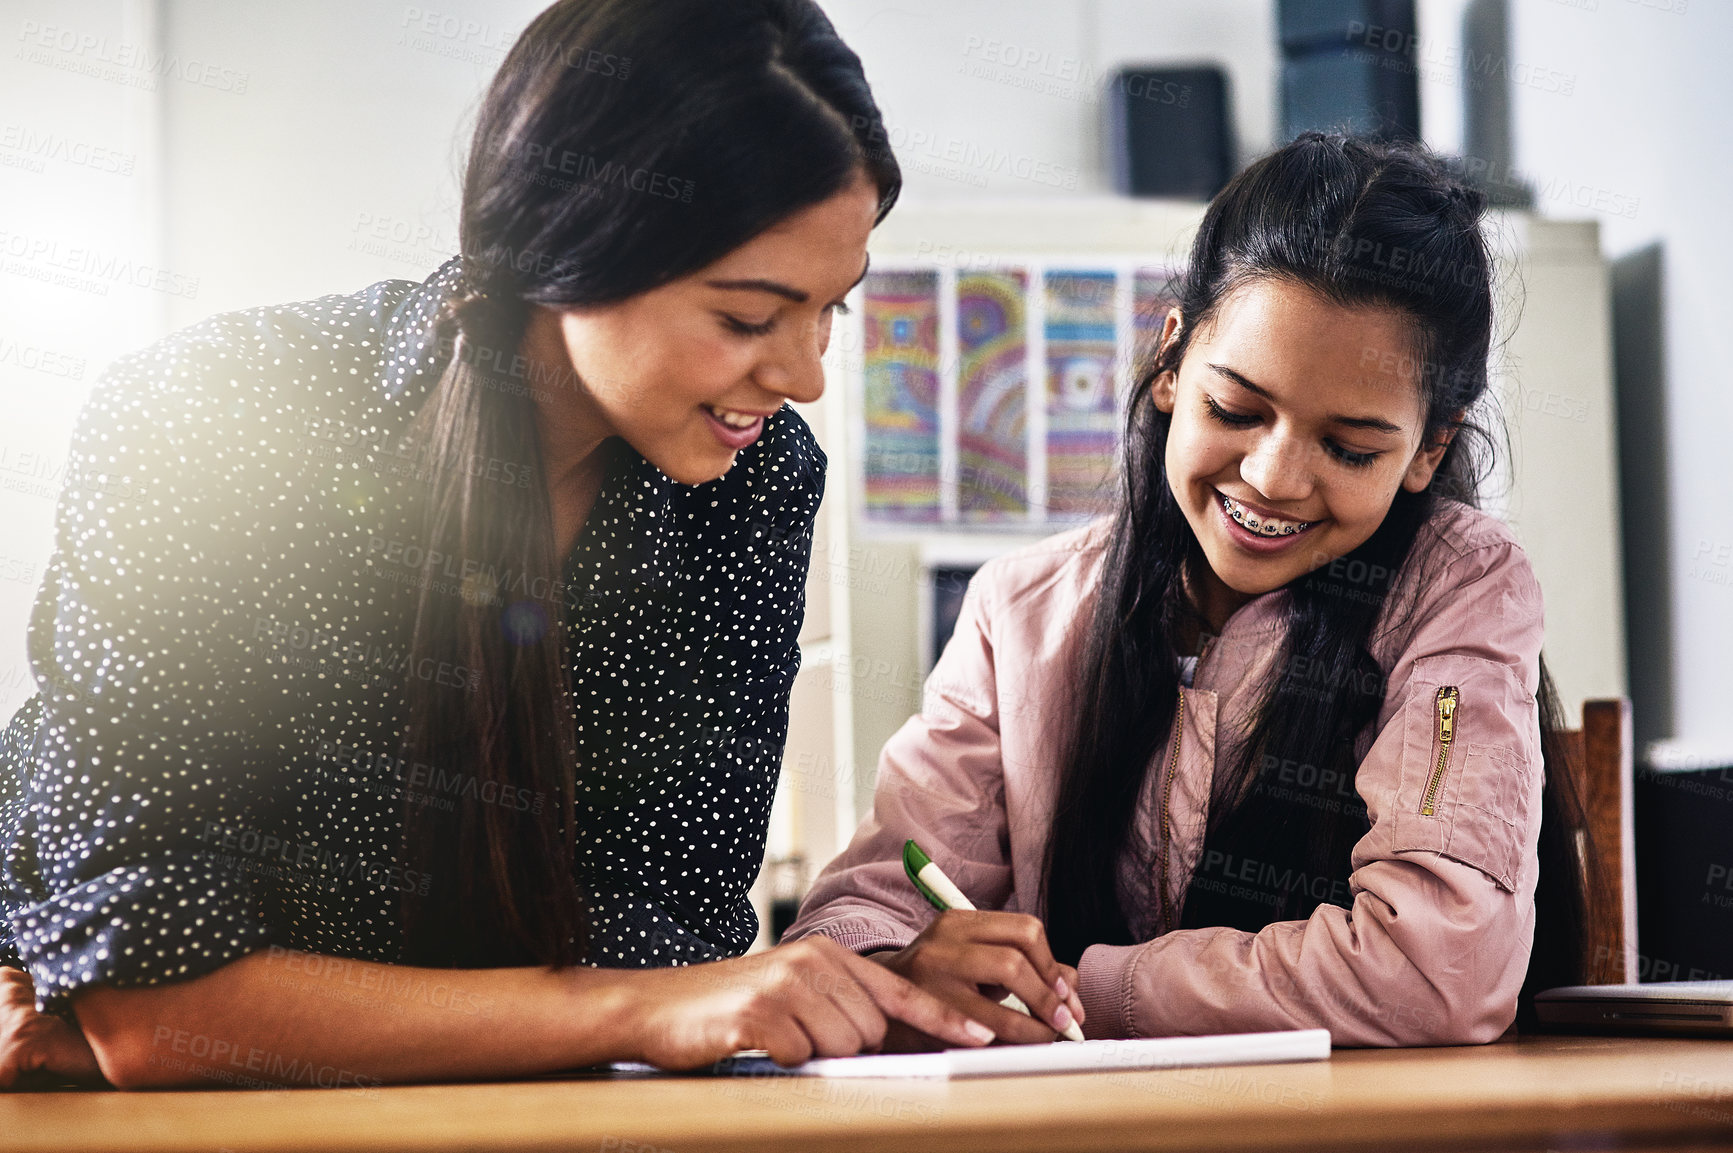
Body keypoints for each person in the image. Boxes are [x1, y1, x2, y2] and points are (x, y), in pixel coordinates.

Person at [0, 0, 1004, 1090]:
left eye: (832, 311)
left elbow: (668, 942)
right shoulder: (210, 417)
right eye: (748, 317)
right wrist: (634, 1005)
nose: (804, 374)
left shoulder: (753, 484)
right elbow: (160, 1013)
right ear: (566, 247)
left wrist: (860, 991)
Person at [786, 132, 1590, 1049]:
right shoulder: (1020, 609)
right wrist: (899, 965)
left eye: (1350, 448)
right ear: (1170, 361)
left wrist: (1087, 987)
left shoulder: (1457, 585)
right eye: (1235, 409)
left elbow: (1436, 972)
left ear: (1429, 450)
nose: (1274, 475)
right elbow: (859, 915)